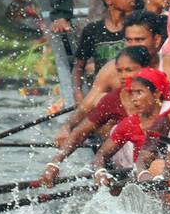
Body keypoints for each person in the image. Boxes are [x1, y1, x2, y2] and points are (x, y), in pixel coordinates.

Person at [39, 45, 151, 186]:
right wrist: (54, 164)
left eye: (129, 70)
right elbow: (81, 132)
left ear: (146, 70)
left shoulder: (160, 94)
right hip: (127, 159)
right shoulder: (112, 99)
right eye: (119, 71)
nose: (123, 76)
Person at [92, 66, 170, 188]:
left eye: (139, 92)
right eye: (131, 93)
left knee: (158, 165)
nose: (134, 99)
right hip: (143, 177)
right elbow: (101, 154)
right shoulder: (129, 124)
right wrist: (100, 171)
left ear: (156, 94)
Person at [75, 0, 136, 96]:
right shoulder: (92, 30)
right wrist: (78, 92)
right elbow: (79, 67)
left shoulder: (136, 27)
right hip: (103, 95)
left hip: (132, 92)